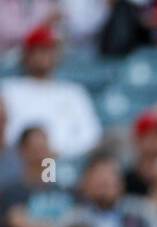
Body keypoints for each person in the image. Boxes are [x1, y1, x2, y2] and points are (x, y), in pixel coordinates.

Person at [0, 26, 101, 159]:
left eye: (50, 50)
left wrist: (57, 151)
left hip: (62, 161)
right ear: (27, 54)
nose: (45, 55)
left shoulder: (73, 92)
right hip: (19, 161)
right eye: (40, 49)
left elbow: (91, 136)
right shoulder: (8, 89)